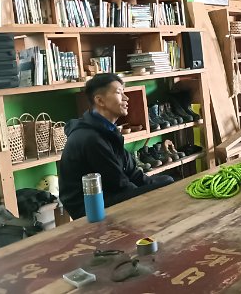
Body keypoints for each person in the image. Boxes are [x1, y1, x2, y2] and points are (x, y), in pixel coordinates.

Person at [60, 73, 173, 219]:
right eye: (119, 93)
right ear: (100, 100)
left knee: (166, 181)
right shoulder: (90, 138)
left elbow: (133, 173)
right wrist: (147, 200)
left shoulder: (108, 130)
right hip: (89, 207)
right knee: (164, 185)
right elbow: (119, 183)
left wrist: (151, 186)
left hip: (110, 191)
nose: (126, 98)